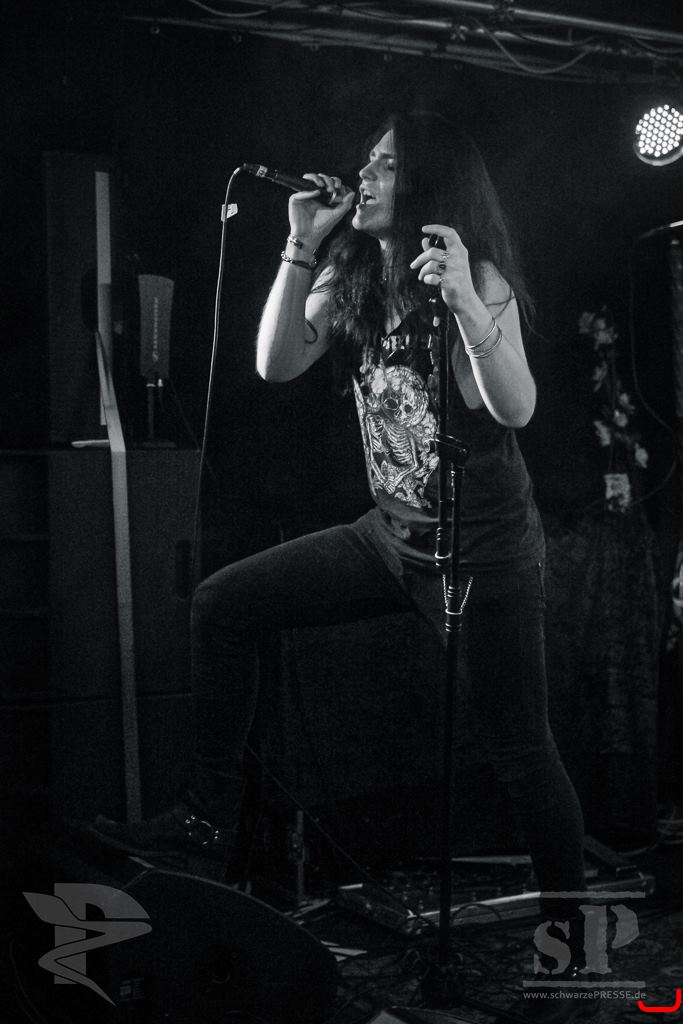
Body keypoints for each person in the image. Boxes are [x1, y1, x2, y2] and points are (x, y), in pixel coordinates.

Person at [92, 111, 586, 939]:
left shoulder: (476, 279)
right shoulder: (352, 270)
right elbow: (275, 362)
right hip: (387, 538)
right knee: (223, 604)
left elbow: (513, 407)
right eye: (368, 161)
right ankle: (204, 824)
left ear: (427, 184)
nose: (365, 176)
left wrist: (466, 302)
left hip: (483, 554)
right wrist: (300, 243)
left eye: (385, 166)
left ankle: (570, 944)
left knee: (521, 752)